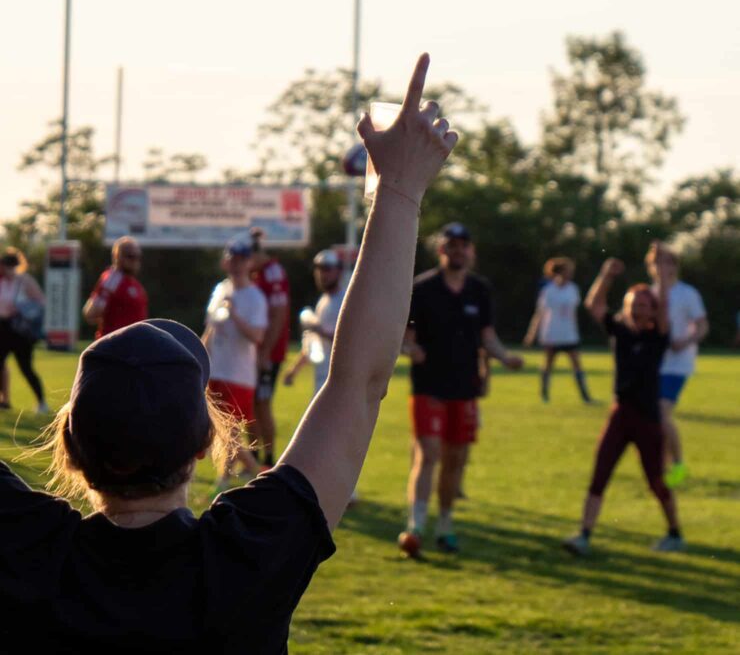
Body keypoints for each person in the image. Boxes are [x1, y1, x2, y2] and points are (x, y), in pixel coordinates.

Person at [0, 52, 456, 651]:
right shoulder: (249, 556)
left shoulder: (25, 551)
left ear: (68, 445)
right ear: (202, 443)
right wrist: (399, 190)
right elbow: (359, 382)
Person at [399, 223, 523, 556]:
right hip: (428, 386)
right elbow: (405, 340)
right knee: (428, 455)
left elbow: (487, 337)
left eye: (464, 246)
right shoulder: (422, 289)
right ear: (442, 250)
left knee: (455, 460)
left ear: (471, 251)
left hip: (464, 388)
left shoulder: (479, 290)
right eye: (452, 246)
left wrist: (505, 358)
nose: (458, 251)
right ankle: (416, 525)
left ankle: (445, 525)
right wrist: (413, 351)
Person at [562, 249, 683, 556]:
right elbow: (593, 304)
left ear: (652, 311)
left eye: (643, 305)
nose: (637, 309)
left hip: (648, 418)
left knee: (656, 481)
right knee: (600, 472)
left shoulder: (659, 337)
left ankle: (674, 532)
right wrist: (606, 275)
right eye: (632, 304)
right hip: (620, 414)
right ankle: (584, 535)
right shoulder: (620, 331)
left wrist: (662, 278)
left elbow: (666, 307)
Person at [203, 237, 267, 492]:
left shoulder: (255, 297)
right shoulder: (220, 289)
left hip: (239, 373)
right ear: (226, 261)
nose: (237, 265)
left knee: (227, 429)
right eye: (234, 259)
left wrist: (235, 315)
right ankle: (225, 478)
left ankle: (257, 472)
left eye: (243, 260)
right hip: (217, 368)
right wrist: (199, 352)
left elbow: (257, 336)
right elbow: (210, 328)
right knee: (223, 427)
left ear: (250, 263)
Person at [645, 244, 708, 488]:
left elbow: (702, 325)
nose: (662, 267)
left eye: (667, 262)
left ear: (674, 266)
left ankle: (678, 464)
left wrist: (686, 340)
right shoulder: (648, 295)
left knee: (662, 412)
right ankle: (662, 466)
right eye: (656, 263)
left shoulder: (687, 294)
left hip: (678, 364)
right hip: (653, 364)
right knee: (654, 417)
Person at [249, 228, 291, 469]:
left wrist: (265, 352)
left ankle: (268, 458)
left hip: (267, 354)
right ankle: (253, 458)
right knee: (249, 403)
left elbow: (279, 314)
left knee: (262, 403)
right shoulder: (257, 273)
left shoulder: (272, 272)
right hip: (252, 351)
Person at [524, 257, 591, 404]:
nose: (570, 274)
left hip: (569, 335)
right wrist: (532, 333)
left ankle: (585, 396)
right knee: (548, 364)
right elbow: (539, 313)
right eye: (568, 271)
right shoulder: (548, 291)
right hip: (552, 334)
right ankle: (544, 394)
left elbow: (573, 312)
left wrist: (575, 331)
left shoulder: (573, 289)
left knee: (577, 364)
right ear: (559, 272)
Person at [283, 249, 346, 396]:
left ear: (339, 271)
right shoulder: (323, 301)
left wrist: (319, 330)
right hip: (322, 379)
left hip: (338, 383)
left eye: (327, 269)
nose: (322, 274)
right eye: (319, 269)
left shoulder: (345, 300)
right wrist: (294, 370)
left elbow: (350, 341)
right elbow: (314, 342)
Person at [0, 248, 47, 413]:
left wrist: (21, 308)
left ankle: (41, 402)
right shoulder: (2, 281)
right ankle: (4, 401)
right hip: (3, 328)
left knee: (26, 368)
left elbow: (41, 302)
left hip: (20, 330)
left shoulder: (24, 281)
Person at [83, 236, 148, 338]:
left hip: (133, 346)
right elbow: (91, 314)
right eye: (130, 256)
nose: (135, 261)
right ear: (117, 256)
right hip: (114, 346)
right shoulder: (112, 279)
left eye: (137, 256)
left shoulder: (135, 284)